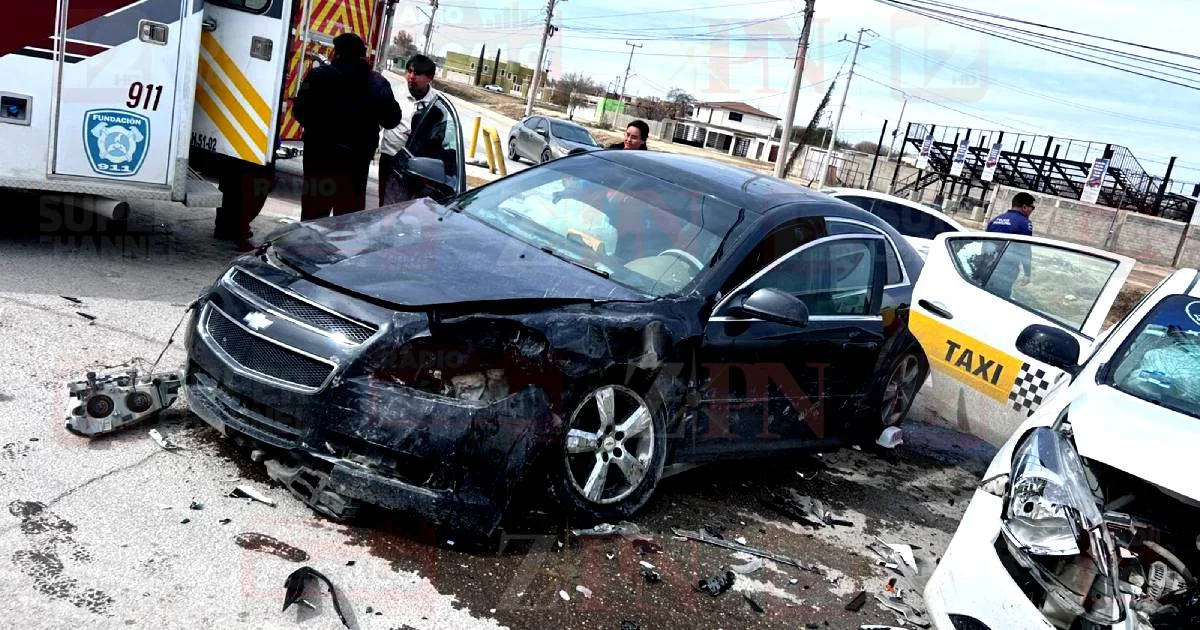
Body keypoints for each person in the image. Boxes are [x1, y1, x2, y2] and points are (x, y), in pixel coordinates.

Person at [292, 33, 402, 221]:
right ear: (363, 55)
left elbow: (299, 112)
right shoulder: (377, 83)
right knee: (346, 224)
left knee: (313, 217)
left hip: (319, 160)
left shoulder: (318, 76)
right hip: (355, 166)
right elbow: (392, 119)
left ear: (336, 52)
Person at [378, 54, 440, 207]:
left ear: (430, 77)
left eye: (418, 74)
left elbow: (439, 136)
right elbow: (379, 121)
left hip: (417, 166)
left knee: (407, 210)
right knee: (384, 207)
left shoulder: (436, 103)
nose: (411, 77)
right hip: (390, 158)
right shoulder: (394, 94)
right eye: (409, 71)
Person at [985, 192, 1036, 297]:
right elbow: (1025, 249)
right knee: (1002, 298)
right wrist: (1027, 273)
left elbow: (985, 243)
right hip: (1006, 269)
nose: (1032, 210)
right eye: (1032, 207)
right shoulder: (1024, 223)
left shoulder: (995, 220)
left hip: (987, 266)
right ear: (1025, 207)